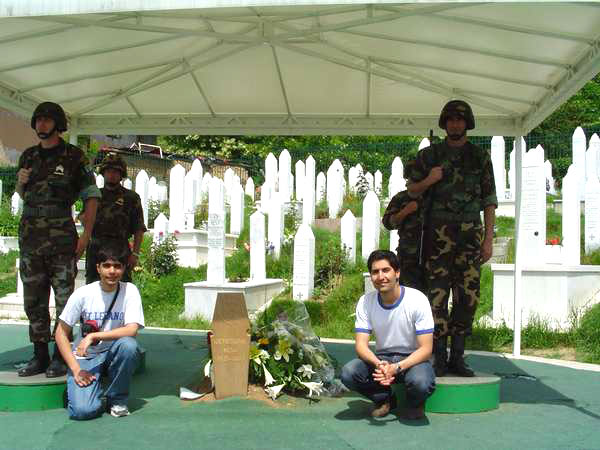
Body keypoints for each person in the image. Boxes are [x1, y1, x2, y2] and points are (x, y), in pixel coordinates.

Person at [407, 100, 497, 377]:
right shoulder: (429, 156)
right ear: (444, 123)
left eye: (460, 120)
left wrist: (488, 240)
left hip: (470, 236)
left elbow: (489, 200)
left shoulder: (479, 157)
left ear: (467, 123)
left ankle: (457, 356)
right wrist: (430, 179)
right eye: (450, 120)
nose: (455, 124)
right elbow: (412, 190)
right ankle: (438, 357)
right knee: (436, 296)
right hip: (437, 236)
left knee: (467, 296)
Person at [16, 101, 100, 377]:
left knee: (65, 300)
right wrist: (20, 182)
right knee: (34, 299)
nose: (41, 124)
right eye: (38, 119)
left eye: (47, 120)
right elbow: (23, 195)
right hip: (31, 237)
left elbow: (91, 196)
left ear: (58, 124)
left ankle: (60, 356)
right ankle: (39, 354)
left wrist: (86, 236)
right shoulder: (28, 156)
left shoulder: (74, 157)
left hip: (61, 239)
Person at [340, 250, 435, 420]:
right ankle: (384, 399)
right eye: (375, 272)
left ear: (397, 273)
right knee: (349, 372)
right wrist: (378, 364)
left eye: (386, 270)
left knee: (421, 383)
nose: (380, 276)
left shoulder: (417, 300)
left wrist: (397, 367)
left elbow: (426, 349)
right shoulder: (365, 302)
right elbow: (361, 345)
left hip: (413, 359)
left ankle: (415, 403)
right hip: (383, 359)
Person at [55, 243, 144, 420]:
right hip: (86, 358)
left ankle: (116, 399)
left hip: (113, 353)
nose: (112, 271)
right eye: (107, 265)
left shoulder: (130, 291)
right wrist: (76, 369)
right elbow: (60, 333)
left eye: (117, 266)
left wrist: (94, 336)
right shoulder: (83, 294)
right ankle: (88, 392)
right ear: (98, 268)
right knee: (83, 411)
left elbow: (132, 329)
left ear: (124, 268)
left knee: (129, 346)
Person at [83, 153, 146, 284]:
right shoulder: (95, 195)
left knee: (122, 288)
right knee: (93, 288)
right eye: (109, 171)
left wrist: (135, 254)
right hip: (96, 248)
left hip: (120, 249)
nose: (112, 175)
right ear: (103, 173)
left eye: (116, 172)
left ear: (121, 174)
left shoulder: (131, 198)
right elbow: (84, 221)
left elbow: (138, 228)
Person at [382, 161, 425, 292]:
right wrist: (405, 212)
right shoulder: (401, 198)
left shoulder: (432, 197)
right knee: (408, 294)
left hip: (433, 255)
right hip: (408, 257)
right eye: (410, 180)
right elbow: (388, 223)